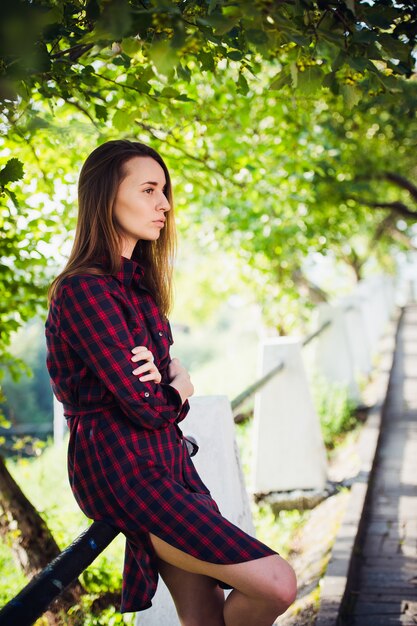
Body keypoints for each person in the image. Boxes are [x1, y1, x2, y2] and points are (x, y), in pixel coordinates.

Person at [45, 139, 297, 626]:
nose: (163, 204)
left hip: (167, 461)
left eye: (164, 191)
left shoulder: (139, 287)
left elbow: (155, 390)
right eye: (148, 189)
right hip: (124, 469)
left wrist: (166, 384)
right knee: (277, 583)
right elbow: (149, 405)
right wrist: (179, 386)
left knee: (203, 617)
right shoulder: (83, 289)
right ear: (105, 197)